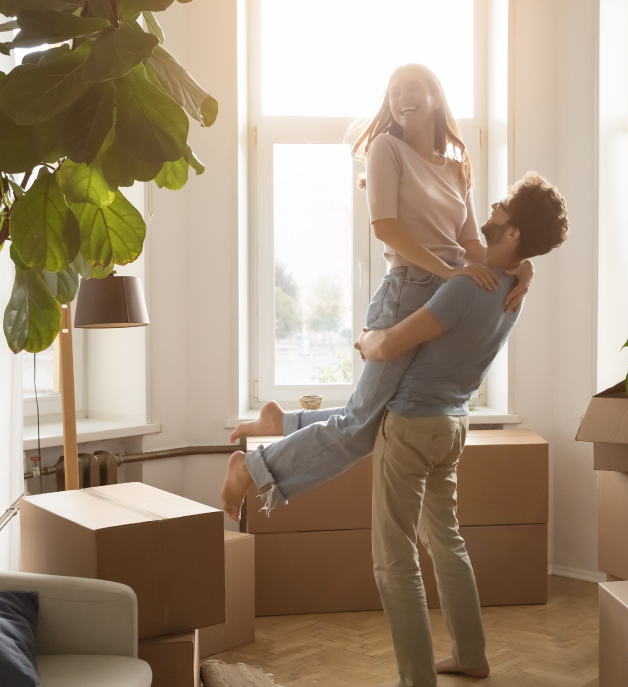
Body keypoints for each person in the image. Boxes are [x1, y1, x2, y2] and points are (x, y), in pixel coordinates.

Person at [220, 64, 533, 520]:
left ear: (435, 97)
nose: (402, 98)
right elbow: (386, 227)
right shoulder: (387, 148)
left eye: (413, 89)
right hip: (408, 290)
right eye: (394, 91)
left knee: (372, 414)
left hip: (447, 295)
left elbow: (470, 245)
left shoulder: (456, 168)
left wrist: (522, 266)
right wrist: (447, 275)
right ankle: (251, 467)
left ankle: (279, 422)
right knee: (360, 427)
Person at [351, 172, 568, 687]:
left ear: (513, 233)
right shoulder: (515, 288)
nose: (492, 207)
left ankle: (416, 686)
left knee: (393, 556)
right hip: (452, 426)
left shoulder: (467, 287)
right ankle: (470, 654)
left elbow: (389, 347)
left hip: (412, 426)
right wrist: (528, 267)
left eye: (503, 206)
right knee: (446, 541)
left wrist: (365, 339)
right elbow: (521, 263)